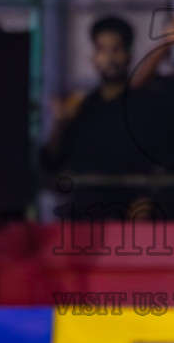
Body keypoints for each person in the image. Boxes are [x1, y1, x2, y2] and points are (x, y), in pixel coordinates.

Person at [41, 15, 158, 216]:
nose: (109, 58)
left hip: (132, 224)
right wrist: (59, 125)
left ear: (128, 55)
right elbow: (49, 164)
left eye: (116, 50)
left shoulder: (147, 107)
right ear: (93, 56)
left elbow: (161, 166)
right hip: (84, 224)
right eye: (102, 50)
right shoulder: (82, 108)